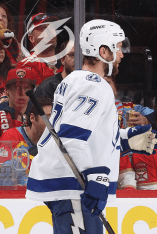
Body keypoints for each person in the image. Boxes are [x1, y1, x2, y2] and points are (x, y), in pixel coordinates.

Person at [26, 19, 127, 233]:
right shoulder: (94, 84)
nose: (121, 55)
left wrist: (127, 138)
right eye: (117, 48)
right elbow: (72, 136)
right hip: (75, 188)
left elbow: (85, 134)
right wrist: (95, 176)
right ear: (103, 51)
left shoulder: (75, 80)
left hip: (72, 187)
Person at [0, 97, 52, 186]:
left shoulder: (55, 140)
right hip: (17, 197)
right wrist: (30, 158)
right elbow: (3, 177)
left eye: (54, 118)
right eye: (46, 118)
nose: (51, 123)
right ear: (32, 118)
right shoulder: (12, 136)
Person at [17, 13, 63, 85]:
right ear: (32, 38)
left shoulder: (66, 61)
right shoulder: (26, 65)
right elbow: (38, 94)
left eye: (52, 28)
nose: (50, 32)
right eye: (43, 28)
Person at [0, 67, 36, 137]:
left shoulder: (39, 116)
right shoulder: (1, 115)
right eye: (16, 88)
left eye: (26, 88)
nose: (21, 93)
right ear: (6, 90)